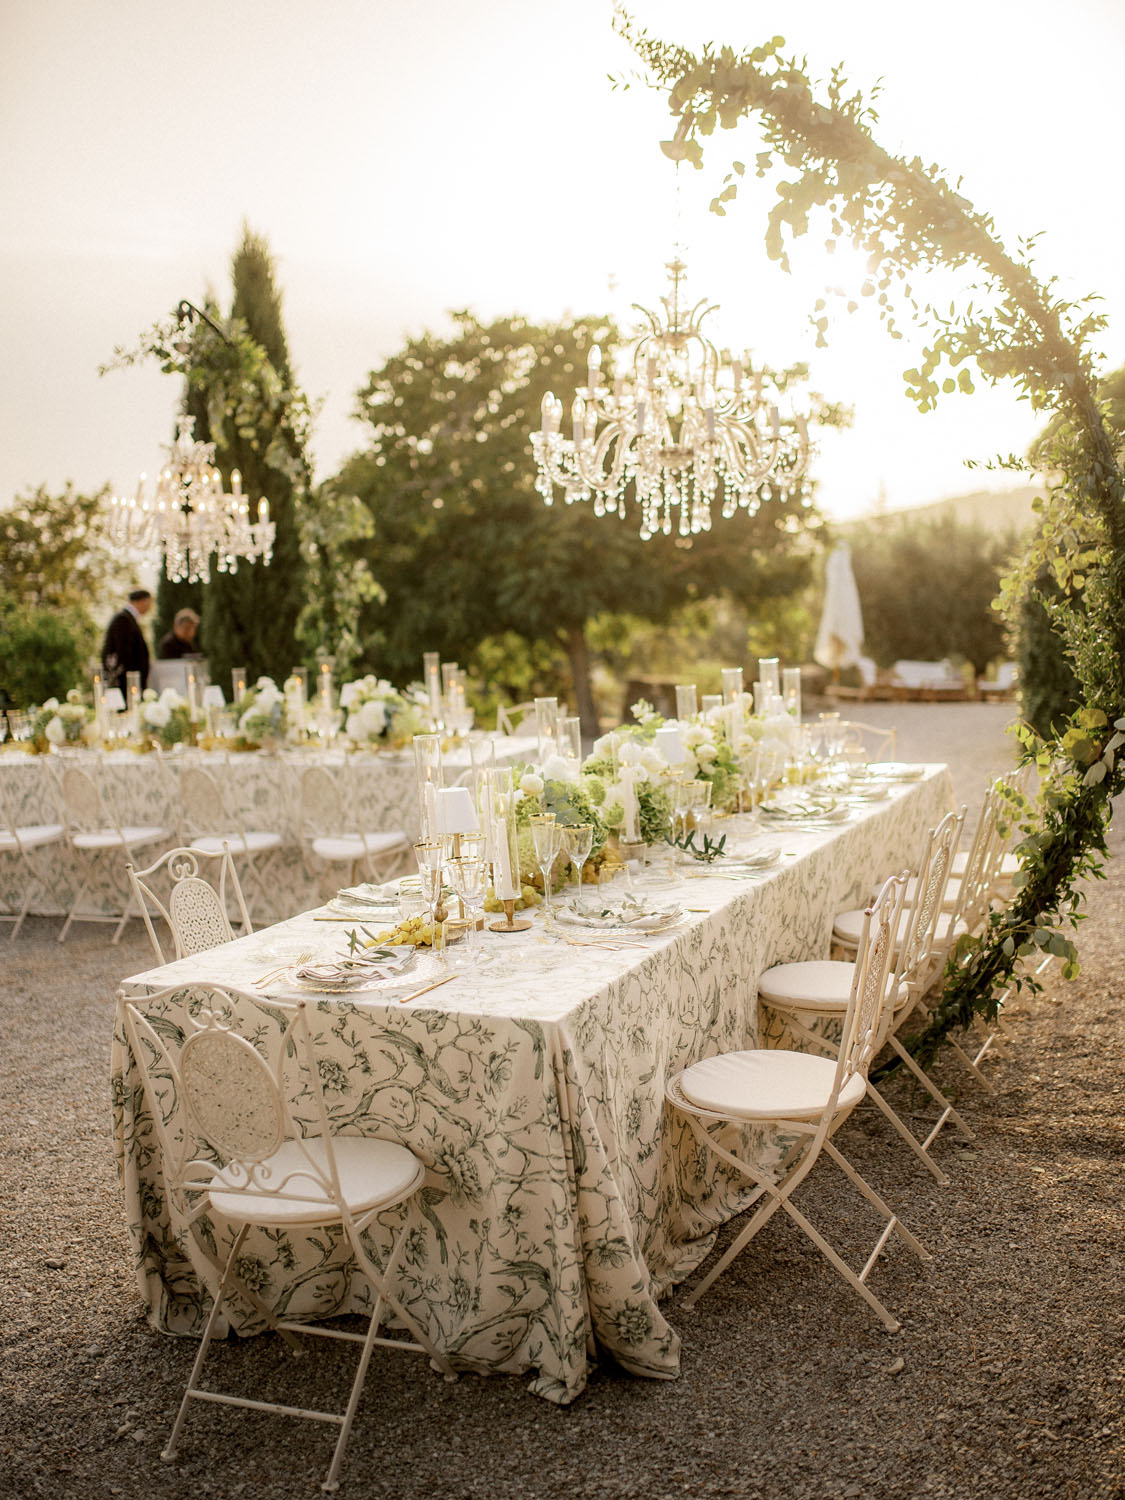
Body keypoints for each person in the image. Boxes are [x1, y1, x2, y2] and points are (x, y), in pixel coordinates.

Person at [101, 587, 153, 693]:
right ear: (143, 601)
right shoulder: (123, 619)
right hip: (126, 682)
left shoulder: (128, 618)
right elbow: (124, 652)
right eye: (149, 603)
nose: (150, 607)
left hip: (131, 680)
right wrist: (132, 679)